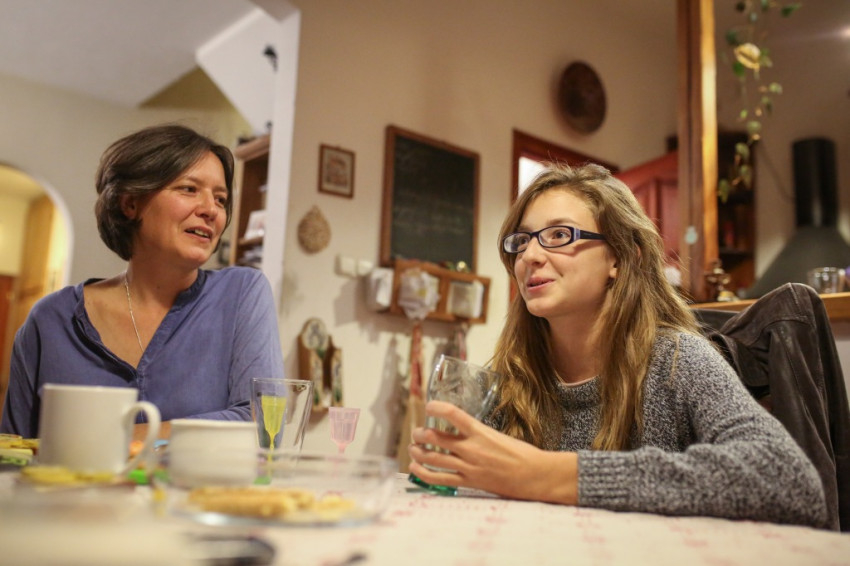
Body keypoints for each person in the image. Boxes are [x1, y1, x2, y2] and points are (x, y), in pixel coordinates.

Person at [408, 163, 828, 528]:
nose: (529, 256)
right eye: (522, 241)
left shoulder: (679, 361)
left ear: (621, 259)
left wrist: (548, 474)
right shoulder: (515, 375)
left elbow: (792, 482)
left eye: (558, 234)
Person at [1, 124, 284, 440]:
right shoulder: (51, 319)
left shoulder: (242, 293)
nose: (211, 210)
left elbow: (264, 425)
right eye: (189, 189)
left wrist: (110, 440)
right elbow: (14, 451)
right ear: (130, 203)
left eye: (220, 199)